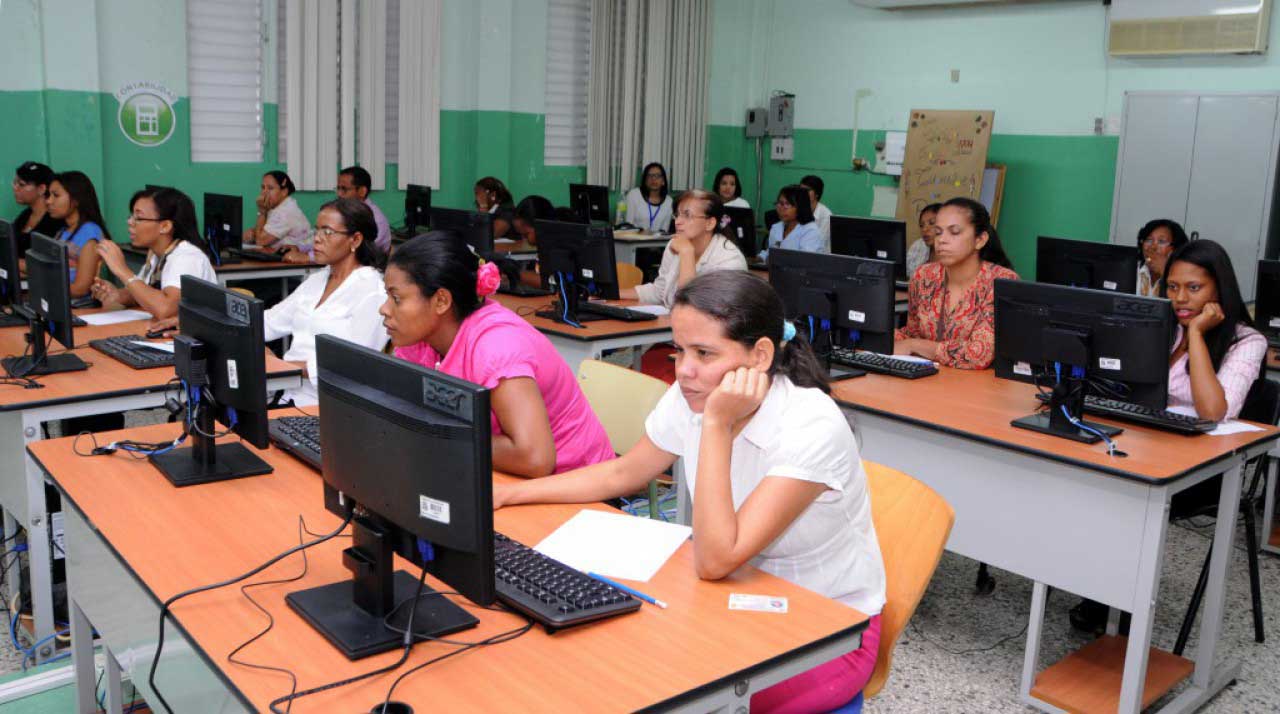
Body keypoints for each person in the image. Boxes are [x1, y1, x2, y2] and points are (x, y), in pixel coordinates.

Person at [493, 270, 886, 713]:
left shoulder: (810, 426)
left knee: (664, 693)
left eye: (704, 353)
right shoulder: (694, 393)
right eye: (678, 350)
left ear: (760, 356)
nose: (683, 371)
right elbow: (621, 474)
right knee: (601, 666)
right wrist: (509, 496)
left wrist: (715, 425)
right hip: (728, 597)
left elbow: (717, 558)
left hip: (827, 628)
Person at [381, 232, 614, 477]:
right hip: (499, 474)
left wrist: (440, 435)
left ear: (441, 301)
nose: (384, 309)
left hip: (576, 487)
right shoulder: (419, 339)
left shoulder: (496, 348)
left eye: (396, 298)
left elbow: (534, 458)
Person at [263, 198, 388, 406]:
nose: (317, 239)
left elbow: (354, 365)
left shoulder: (372, 292)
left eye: (327, 232)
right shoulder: (318, 279)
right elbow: (270, 321)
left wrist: (283, 366)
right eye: (317, 230)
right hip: (289, 397)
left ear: (355, 240)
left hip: (330, 407)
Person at [894, 197, 1017, 369]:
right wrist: (878, 336)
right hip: (926, 379)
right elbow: (913, 332)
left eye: (954, 232)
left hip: (977, 388)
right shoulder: (923, 276)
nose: (941, 240)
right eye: (938, 232)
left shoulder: (1001, 282)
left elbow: (978, 355)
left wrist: (914, 345)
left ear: (980, 240)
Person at [1163, 239, 1266, 422]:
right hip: (1151, 433)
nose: (1179, 298)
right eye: (1172, 287)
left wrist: (1196, 333)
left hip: (1202, 445)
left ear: (1220, 288)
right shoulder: (1166, 327)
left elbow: (1212, 413)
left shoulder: (1248, 341)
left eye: (1193, 288)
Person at [91, 187, 216, 320]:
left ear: (165, 226)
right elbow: (143, 294)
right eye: (131, 216)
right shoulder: (156, 255)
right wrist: (116, 294)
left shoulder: (186, 257)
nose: (130, 222)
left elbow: (165, 309)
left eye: (138, 217)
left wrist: (122, 270)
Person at [622, 190, 746, 309]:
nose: (678, 222)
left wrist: (687, 253)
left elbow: (690, 308)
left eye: (687, 215)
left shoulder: (729, 260)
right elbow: (659, 291)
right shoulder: (677, 243)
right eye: (677, 215)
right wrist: (613, 294)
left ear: (710, 223)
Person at [45, 171, 109, 298]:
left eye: (56, 196)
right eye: (49, 195)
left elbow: (81, 289)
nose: (49, 201)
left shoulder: (90, 234)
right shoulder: (64, 230)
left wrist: (42, 287)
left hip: (80, 308)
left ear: (76, 200)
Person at [244, 170, 312, 262]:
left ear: (284, 191)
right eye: (263, 187)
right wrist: (254, 232)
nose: (264, 192)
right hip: (280, 256)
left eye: (270, 188)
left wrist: (262, 212)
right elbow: (264, 233)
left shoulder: (286, 211)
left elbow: (261, 241)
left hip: (294, 261)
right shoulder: (276, 207)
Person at [336, 165, 391, 254]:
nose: (339, 194)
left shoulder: (375, 220)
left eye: (344, 189)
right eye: (338, 188)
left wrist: (310, 257)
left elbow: (353, 252)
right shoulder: (347, 212)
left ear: (362, 191)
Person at [758, 184, 823, 260]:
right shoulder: (776, 227)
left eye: (787, 204)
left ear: (800, 206)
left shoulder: (810, 231)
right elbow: (770, 252)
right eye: (779, 203)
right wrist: (758, 258)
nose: (781, 208)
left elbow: (803, 261)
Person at [11, 161, 63, 254]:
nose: (15, 188)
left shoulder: (54, 222)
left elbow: (47, 264)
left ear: (41, 189)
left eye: (21, 184)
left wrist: (11, 261)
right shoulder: (25, 215)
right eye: (15, 183)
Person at [1136, 218, 1189, 298]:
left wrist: (1164, 272)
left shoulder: (1184, 275)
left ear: (1175, 248)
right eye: (1148, 240)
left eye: (1161, 241)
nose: (1153, 247)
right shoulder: (1132, 269)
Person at [624, 162, 674, 233]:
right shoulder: (634, 195)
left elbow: (665, 230)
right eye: (650, 175)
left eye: (658, 176)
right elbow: (628, 224)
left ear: (663, 181)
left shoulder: (669, 201)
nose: (653, 179)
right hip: (635, 240)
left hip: (657, 242)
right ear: (645, 180)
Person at [905, 203, 942, 276]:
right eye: (921, 225)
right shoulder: (917, 246)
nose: (924, 229)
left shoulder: (954, 254)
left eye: (932, 223)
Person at [800, 175, 832, 252]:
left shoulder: (826, 215)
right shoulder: (797, 209)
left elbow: (818, 243)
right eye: (800, 190)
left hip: (820, 257)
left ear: (817, 194)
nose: (802, 193)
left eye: (807, 190)